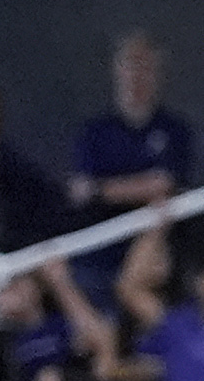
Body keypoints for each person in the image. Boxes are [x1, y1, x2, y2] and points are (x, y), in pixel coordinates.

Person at [69, 29, 195, 297]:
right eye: (131, 64)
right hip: (98, 257)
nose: (138, 75)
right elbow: (80, 191)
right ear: (118, 70)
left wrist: (103, 190)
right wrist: (121, 190)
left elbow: (165, 185)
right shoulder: (95, 132)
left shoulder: (176, 131)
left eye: (146, 66)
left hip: (156, 260)